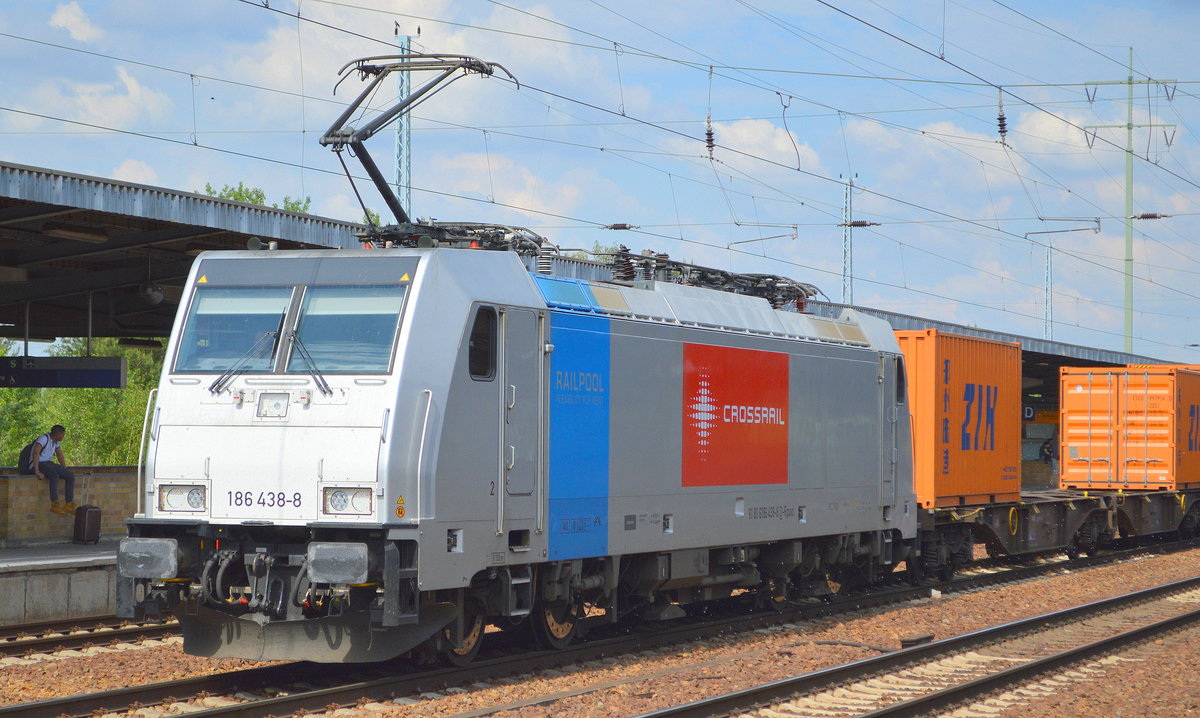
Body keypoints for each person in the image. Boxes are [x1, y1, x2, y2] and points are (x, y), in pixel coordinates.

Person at [29, 425, 75, 515]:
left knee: (70, 476)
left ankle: (68, 505)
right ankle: (54, 504)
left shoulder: (56, 442)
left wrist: (64, 469)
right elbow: (36, 453)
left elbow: (59, 455)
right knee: (54, 475)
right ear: (57, 434)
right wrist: (37, 471)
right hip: (37, 464)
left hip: (47, 463)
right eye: (62, 435)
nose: (63, 437)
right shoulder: (43, 439)